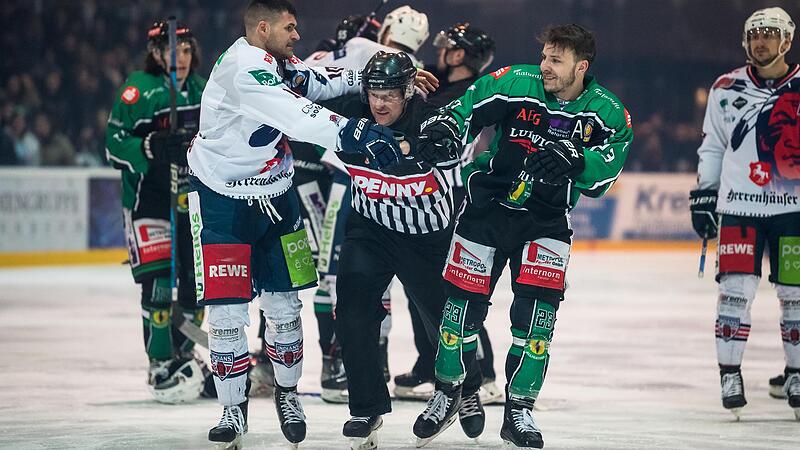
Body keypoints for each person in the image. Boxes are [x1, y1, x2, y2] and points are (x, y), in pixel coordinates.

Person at [185, 1, 434, 447]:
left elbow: (315, 80)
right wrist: (353, 132)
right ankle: (231, 410)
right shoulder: (245, 68)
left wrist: (372, 78)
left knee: (285, 305)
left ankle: (288, 394)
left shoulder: (276, 61)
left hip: (278, 194)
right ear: (264, 28)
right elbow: (295, 113)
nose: (298, 36)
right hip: (222, 201)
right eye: (290, 28)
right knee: (226, 313)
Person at [412, 24, 633, 448]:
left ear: (581, 67)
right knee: (457, 314)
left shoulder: (608, 112)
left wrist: (578, 159)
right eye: (545, 56)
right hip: (486, 211)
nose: (545, 66)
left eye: (556, 60)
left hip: (547, 222)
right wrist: (446, 127)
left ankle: (520, 412)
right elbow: (466, 107)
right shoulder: (516, 80)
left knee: (536, 327)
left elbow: (607, 171)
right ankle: (448, 392)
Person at [321, 50, 484, 448]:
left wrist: (419, 147)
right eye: (374, 92)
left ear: (409, 92)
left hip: (426, 236)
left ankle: (468, 386)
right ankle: (365, 408)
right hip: (370, 229)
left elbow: (466, 125)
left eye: (391, 94)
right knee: (353, 310)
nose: (380, 103)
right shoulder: (349, 111)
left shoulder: (436, 120)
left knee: (446, 322)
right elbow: (299, 99)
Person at [300, 6, 430, 404]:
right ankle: (358, 360)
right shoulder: (386, 59)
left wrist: (332, 46)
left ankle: (350, 361)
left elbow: (304, 75)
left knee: (338, 273)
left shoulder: (359, 46)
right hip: (343, 174)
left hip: (337, 172)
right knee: (347, 274)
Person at [690, 6, 800, 421]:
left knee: (796, 296)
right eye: (754, 33)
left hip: (794, 210)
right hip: (739, 209)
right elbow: (713, 147)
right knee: (735, 292)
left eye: (770, 34)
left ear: (786, 41)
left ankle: (796, 373)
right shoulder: (724, 87)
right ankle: (729, 373)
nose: (760, 40)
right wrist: (704, 195)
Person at [393, 22, 504, 406]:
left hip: (451, 198)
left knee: (455, 288)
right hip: (423, 196)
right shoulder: (440, 83)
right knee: (417, 285)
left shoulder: (468, 94)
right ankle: (429, 362)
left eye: (448, 48)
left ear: (459, 56)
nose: (440, 52)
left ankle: (484, 370)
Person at [105, 19, 209, 404]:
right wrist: (149, 147)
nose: (179, 57)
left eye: (185, 49)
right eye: (171, 50)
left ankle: (185, 352)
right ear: (155, 53)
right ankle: (160, 360)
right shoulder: (138, 90)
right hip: (149, 200)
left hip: (193, 202)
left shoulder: (203, 90)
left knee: (200, 289)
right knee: (159, 287)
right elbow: (112, 147)